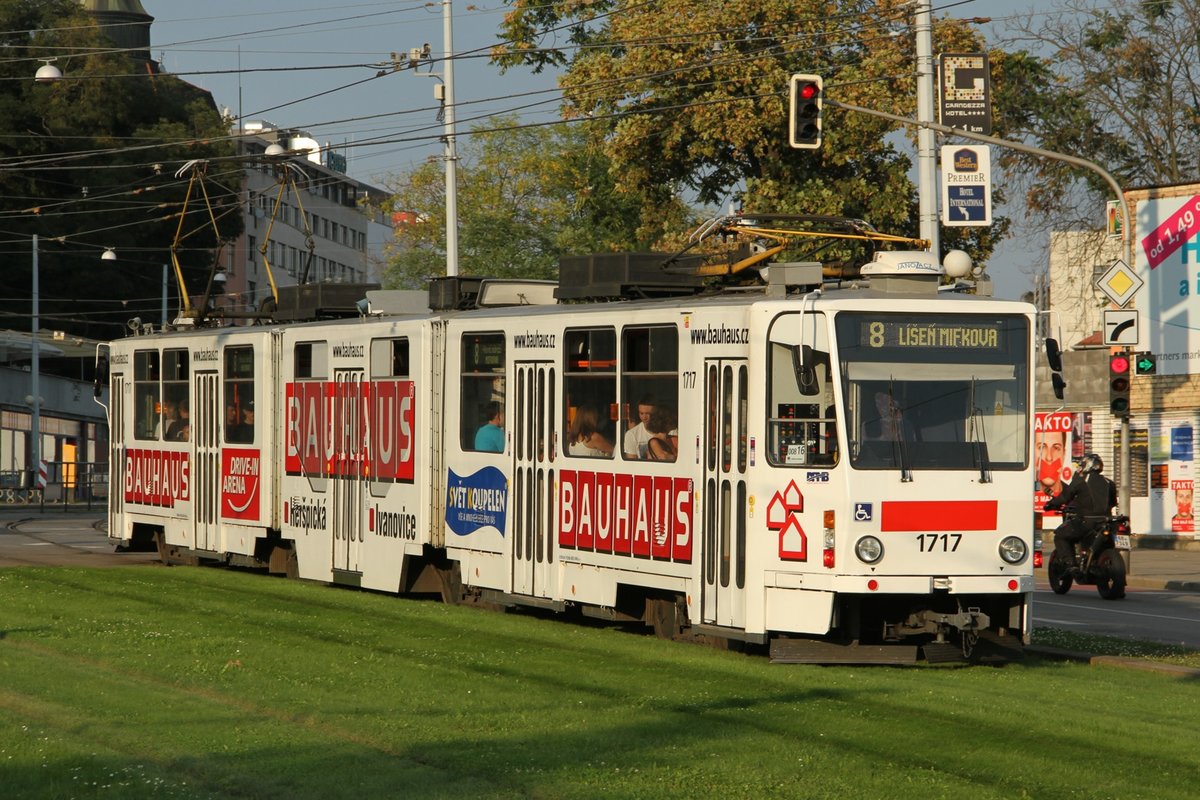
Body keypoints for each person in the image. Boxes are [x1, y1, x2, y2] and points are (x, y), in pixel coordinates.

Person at [1043, 453, 1117, 572]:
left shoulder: (1081, 480)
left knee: (1060, 536)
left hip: (1086, 522)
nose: (1080, 468)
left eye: (1081, 465)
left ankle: (1071, 565)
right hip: (1106, 522)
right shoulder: (1110, 483)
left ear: (1087, 465)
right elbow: (1113, 502)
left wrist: (1050, 504)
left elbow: (1066, 497)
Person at [1036, 428, 1067, 498]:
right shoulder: (1021, 493)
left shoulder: (1074, 498)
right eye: (1042, 447)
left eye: (1056, 448)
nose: (1049, 457)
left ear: (1064, 454)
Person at [623, 394, 657, 459]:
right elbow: (631, 463)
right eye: (641, 413)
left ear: (655, 413)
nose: (644, 417)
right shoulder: (631, 434)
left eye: (648, 413)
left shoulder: (667, 430)